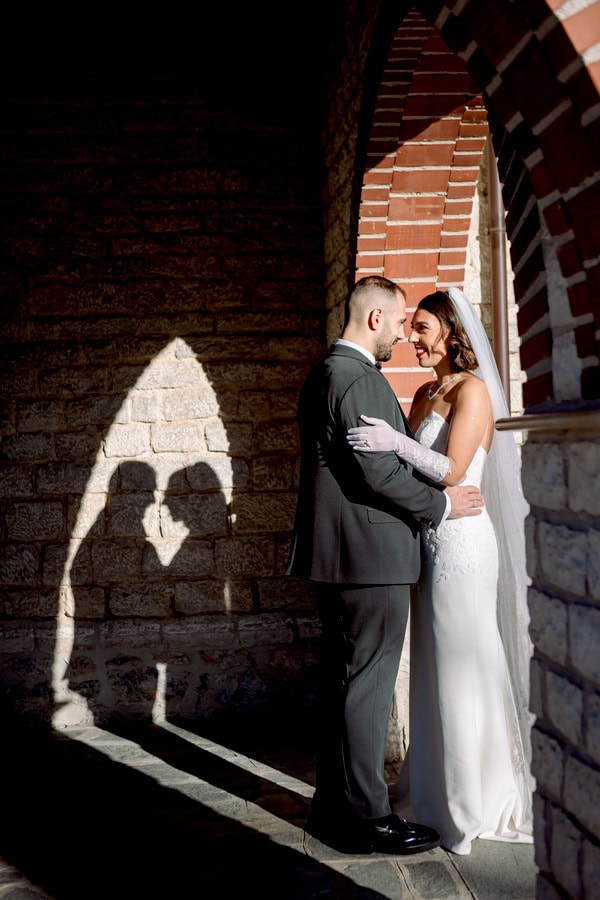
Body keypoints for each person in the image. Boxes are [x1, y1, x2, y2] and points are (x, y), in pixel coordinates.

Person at [286, 275, 485, 856]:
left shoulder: (328, 371)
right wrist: (442, 504)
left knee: (347, 682)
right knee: (366, 688)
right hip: (368, 555)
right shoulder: (355, 378)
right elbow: (375, 472)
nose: (401, 336)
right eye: (400, 324)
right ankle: (367, 818)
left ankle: (333, 810)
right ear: (375, 319)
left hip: (345, 553)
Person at [347, 287, 534, 855]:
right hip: (427, 545)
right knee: (432, 668)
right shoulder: (426, 392)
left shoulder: (473, 390)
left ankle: (468, 804)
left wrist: (394, 444)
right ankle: (430, 792)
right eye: (411, 328)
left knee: (462, 667)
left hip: (463, 544)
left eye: (422, 328)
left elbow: (453, 471)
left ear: (452, 332)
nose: (411, 338)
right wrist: (394, 441)